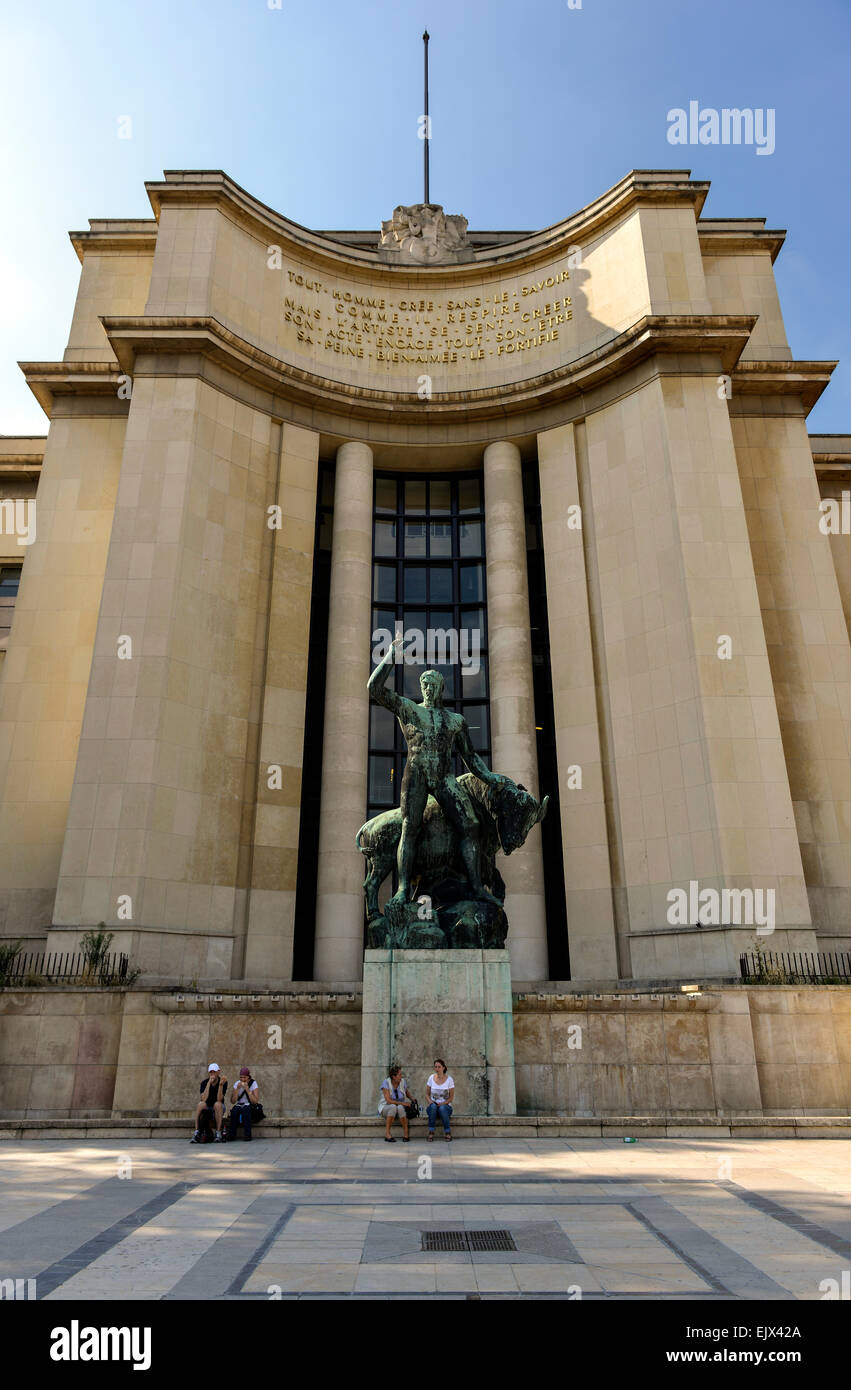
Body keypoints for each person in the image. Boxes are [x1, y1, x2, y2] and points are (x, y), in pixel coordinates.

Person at [368, 636, 507, 906]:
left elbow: (470, 757)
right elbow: (374, 688)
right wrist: (390, 657)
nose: (428, 688)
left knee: (471, 826)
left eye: (433, 684)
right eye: (424, 684)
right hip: (417, 774)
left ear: (441, 688)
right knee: (409, 827)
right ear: (420, 687)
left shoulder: (455, 720)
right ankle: (402, 888)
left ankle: (477, 887)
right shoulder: (409, 710)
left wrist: (489, 777)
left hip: (444, 777)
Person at [192, 1063, 228, 1143]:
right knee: (200, 1104)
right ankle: (197, 1132)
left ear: (218, 1072)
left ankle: (218, 1133)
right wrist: (209, 1083)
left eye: (214, 1072)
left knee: (217, 1104)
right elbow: (203, 1099)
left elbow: (219, 1099)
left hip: (219, 1107)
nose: (212, 1074)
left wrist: (221, 1085)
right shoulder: (204, 1083)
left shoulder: (223, 1082)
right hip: (207, 1107)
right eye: (211, 1072)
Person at [379, 1064, 414, 1142]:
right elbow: (388, 1100)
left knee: (400, 1108)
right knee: (393, 1107)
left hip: (399, 1108)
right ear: (394, 1077)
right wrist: (403, 1103)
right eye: (399, 1074)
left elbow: (406, 1092)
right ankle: (387, 1134)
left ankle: (406, 1134)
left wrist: (412, 1099)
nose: (401, 1076)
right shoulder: (386, 1083)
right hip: (386, 1107)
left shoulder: (402, 1082)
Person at [426, 1059, 455, 1141]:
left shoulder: (449, 1080)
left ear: (443, 1068)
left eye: (439, 1067)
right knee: (433, 1107)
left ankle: (448, 1132)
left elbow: (451, 1098)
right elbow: (427, 1094)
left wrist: (442, 1103)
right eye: (435, 1067)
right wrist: (430, 1101)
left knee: (442, 1108)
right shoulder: (431, 1078)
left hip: (446, 1107)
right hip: (433, 1108)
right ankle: (431, 1132)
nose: (437, 1069)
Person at [229, 1068, 260, 1142]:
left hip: (249, 1105)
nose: (242, 1079)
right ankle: (232, 1135)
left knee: (246, 1111)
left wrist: (247, 1089)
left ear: (248, 1077)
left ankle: (247, 1135)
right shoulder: (237, 1083)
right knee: (234, 1112)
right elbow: (233, 1101)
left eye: (244, 1077)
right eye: (241, 1077)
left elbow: (255, 1101)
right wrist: (237, 1089)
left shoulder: (253, 1083)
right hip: (239, 1104)